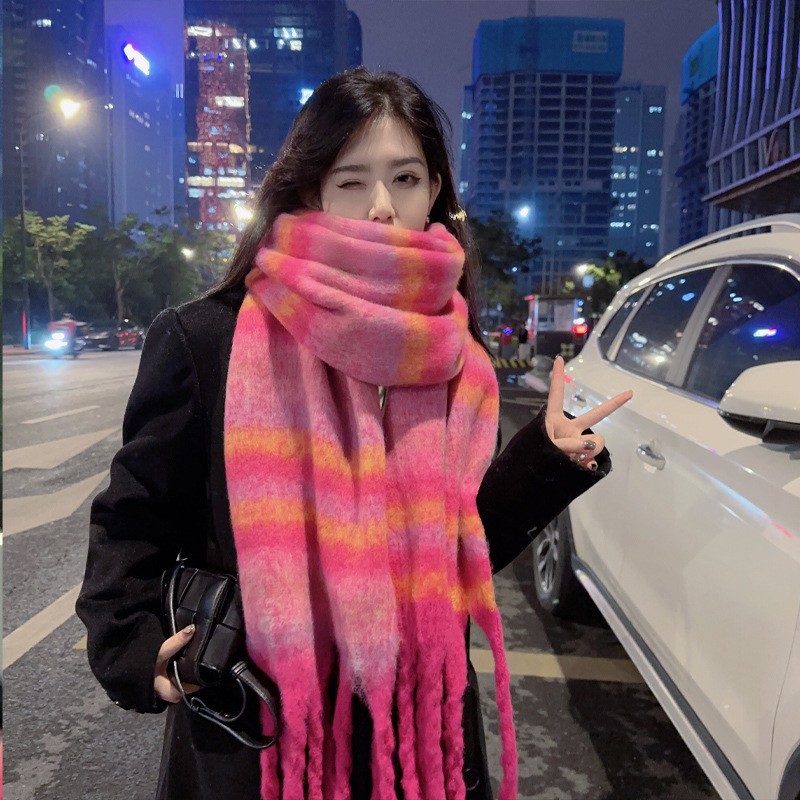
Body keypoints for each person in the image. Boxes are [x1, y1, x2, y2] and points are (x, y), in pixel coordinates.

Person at [76, 68, 632, 800]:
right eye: (351, 181)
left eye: (404, 178)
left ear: (435, 188)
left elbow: (461, 551)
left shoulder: (454, 353)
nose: (381, 207)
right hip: (264, 725)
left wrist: (545, 461)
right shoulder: (207, 339)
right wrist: (133, 645)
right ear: (312, 189)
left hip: (416, 737)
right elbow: (133, 515)